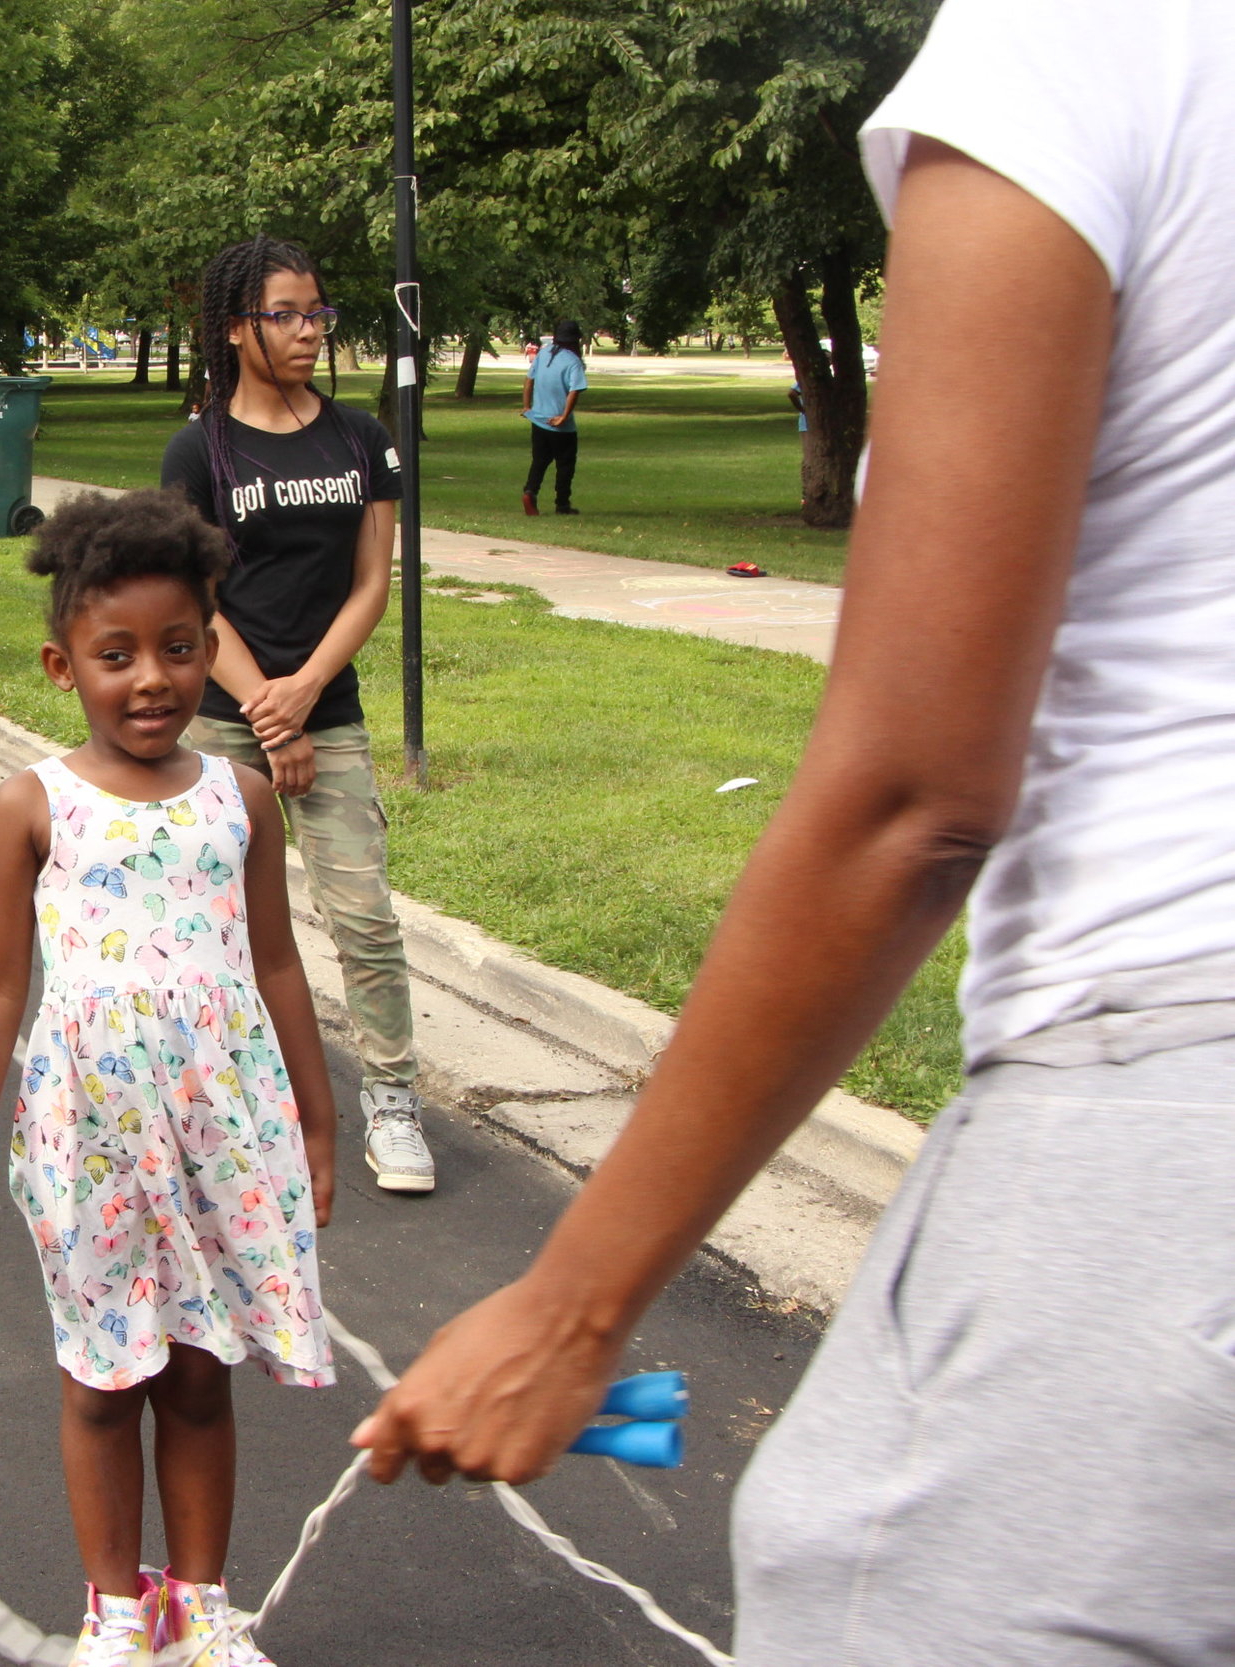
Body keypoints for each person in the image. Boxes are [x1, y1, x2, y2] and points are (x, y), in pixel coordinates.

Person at [352, 2, 1235, 1661]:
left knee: (868, 1579)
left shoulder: (1081, 39)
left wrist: (574, 1305)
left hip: (1172, 1091)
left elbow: (914, 797)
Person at [0, 491, 338, 1667]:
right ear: (62, 665)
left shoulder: (239, 799)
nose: (151, 678)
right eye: (116, 655)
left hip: (224, 1132)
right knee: (104, 1380)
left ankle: (197, 1608)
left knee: (199, 1376)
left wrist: (315, 1120)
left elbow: (278, 960)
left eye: (180, 648)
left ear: (210, 644)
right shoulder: (29, 806)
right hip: (87, 1133)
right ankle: (112, 1611)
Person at [160, 234, 436, 1196]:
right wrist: (269, 716)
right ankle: (225, 1099)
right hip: (228, 718)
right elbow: (195, 598)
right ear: (239, 328)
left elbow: (372, 583)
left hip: (329, 706)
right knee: (216, 921)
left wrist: (307, 694)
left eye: (318, 313)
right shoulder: (200, 449)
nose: (310, 332)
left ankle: (394, 1103)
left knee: (364, 916)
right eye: (286, 315)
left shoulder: (362, 437)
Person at [519, 320, 586, 515]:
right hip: (560, 425)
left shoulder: (544, 353)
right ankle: (562, 504)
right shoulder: (573, 361)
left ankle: (530, 492)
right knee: (565, 465)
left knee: (539, 460)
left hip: (538, 419)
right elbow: (574, 391)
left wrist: (526, 406)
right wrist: (564, 416)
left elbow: (529, 380)